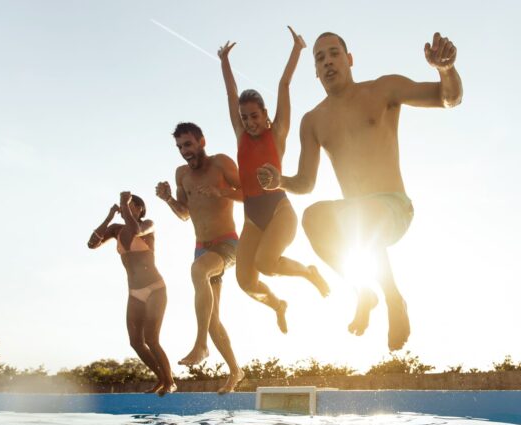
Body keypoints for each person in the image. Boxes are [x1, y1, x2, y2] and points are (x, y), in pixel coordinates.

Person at [258, 32, 462, 351]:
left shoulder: (383, 89)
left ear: (349, 59)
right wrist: (279, 181)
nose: (327, 61)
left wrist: (446, 70)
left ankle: (394, 300)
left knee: (363, 215)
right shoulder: (312, 121)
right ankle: (363, 290)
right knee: (313, 218)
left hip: (394, 208)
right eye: (320, 58)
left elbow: (448, 98)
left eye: (334, 54)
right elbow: (306, 183)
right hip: (356, 217)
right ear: (315, 70)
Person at [218, 26, 329, 334]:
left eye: (255, 116)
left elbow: (284, 84)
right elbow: (230, 94)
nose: (249, 122)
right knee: (245, 281)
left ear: (265, 114)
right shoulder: (241, 135)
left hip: (279, 210)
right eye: (244, 118)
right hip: (253, 216)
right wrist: (224, 62)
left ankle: (308, 272)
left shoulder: (277, 132)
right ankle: (278, 305)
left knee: (266, 264)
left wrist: (297, 49)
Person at [156, 122, 245, 394]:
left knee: (197, 271)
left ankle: (200, 344)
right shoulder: (181, 174)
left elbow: (250, 193)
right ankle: (236, 371)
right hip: (202, 247)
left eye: (189, 145)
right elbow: (185, 213)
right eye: (180, 147)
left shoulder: (220, 164)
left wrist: (223, 192)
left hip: (228, 243)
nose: (185, 151)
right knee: (213, 317)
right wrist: (169, 199)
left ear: (202, 142)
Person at [87, 192, 176, 396]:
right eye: (126, 205)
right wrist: (110, 217)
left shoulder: (148, 225)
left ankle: (170, 381)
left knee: (152, 339)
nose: (127, 207)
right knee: (136, 342)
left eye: (132, 205)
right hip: (134, 292)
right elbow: (92, 244)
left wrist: (124, 205)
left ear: (140, 209)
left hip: (155, 288)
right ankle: (161, 378)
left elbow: (135, 229)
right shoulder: (115, 229)